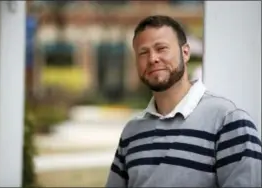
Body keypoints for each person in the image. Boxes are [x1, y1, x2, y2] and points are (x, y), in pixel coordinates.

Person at [105, 15, 262, 187]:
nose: (152, 59)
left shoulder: (229, 121)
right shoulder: (132, 132)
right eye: (143, 52)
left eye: (161, 48)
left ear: (185, 53)